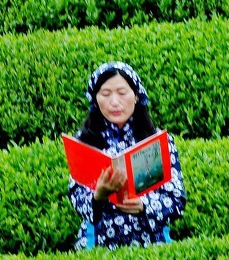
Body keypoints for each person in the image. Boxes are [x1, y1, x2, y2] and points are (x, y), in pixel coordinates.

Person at [68, 62, 185, 249]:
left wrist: (144, 205)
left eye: (122, 93)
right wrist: (98, 196)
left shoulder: (156, 141)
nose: (114, 102)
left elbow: (177, 200)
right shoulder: (84, 142)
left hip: (151, 244)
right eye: (105, 94)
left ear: (137, 96)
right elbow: (75, 195)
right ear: (95, 100)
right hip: (98, 243)